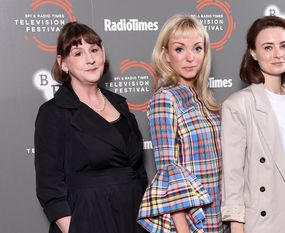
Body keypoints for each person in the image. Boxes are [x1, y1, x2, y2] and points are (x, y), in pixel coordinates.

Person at [34, 22, 148, 233]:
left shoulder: (120, 105)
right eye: (78, 53)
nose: (90, 59)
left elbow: (139, 172)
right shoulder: (54, 112)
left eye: (94, 49)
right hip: (88, 219)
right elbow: (49, 187)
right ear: (63, 63)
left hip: (134, 218)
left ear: (103, 53)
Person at [221, 16, 285, 233]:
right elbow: (233, 175)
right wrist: (236, 225)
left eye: (283, 45)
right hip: (262, 213)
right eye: (268, 47)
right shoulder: (239, 104)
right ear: (253, 53)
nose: (278, 54)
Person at [137, 15, 226, 233]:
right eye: (180, 49)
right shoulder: (165, 98)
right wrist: (183, 229)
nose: (190, 58)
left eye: (197, 48)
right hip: (191, 220)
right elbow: (168, 170)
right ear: (166, 54)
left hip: (218, 214)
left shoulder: (205, 98)